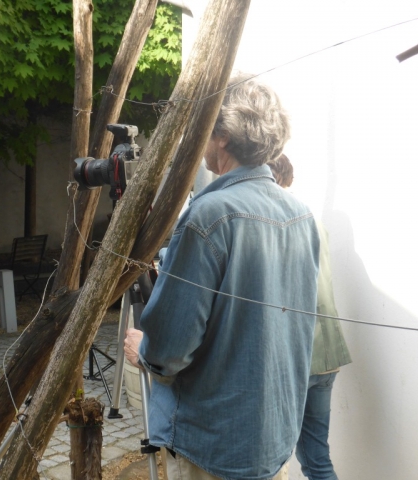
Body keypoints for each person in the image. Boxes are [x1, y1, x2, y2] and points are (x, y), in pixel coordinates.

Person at [124, 75, 320, 480]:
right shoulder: (301, 215)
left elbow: (169, 351)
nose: (198, 139)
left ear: (224, 136)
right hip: (274, 439)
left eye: (204, 126)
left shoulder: (208, 217)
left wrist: (144, 349)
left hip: (215, 445)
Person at [268, 154, 352, 480]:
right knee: (317, 458)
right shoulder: (313, 218)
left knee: (270, 459)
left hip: (295, 356)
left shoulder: (275, 220)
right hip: (327, 353)